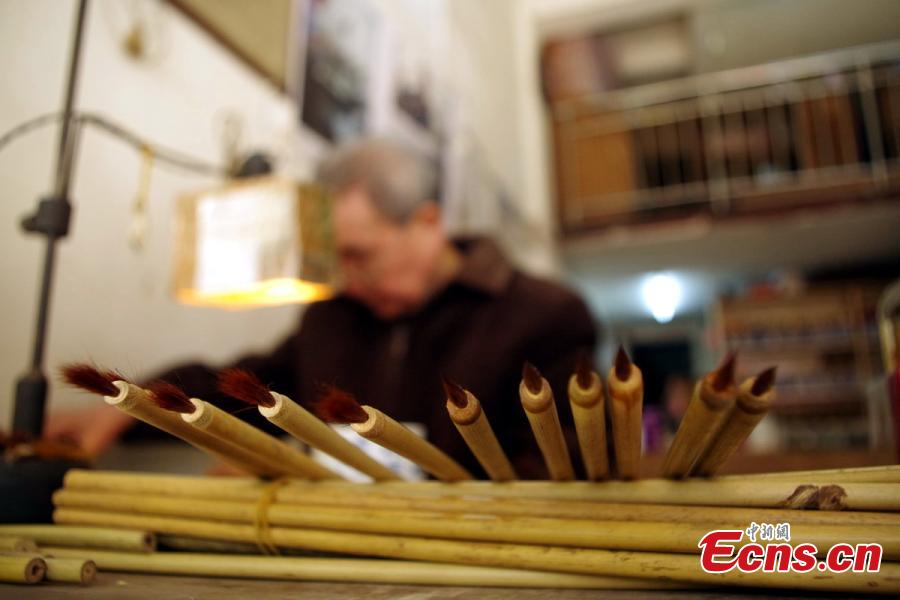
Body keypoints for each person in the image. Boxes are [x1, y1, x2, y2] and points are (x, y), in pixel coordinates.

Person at [48, 138, 598, 478]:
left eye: (359, 255)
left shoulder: (544, 314)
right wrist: (128, 408)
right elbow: (244, 388)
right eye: (334, 263)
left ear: (427, 224)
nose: (345, 279)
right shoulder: (332, 314)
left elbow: (564, 470)